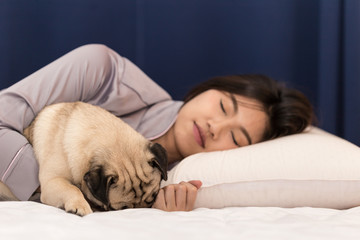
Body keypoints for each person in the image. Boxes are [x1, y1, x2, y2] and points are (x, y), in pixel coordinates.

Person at [0, 44, 313, 212]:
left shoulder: (182, 182)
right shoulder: (104, 72)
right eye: (222, 106)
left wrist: (146, 204)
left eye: (235, 136)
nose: (214, 126)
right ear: (209, 88)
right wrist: (68, 188)